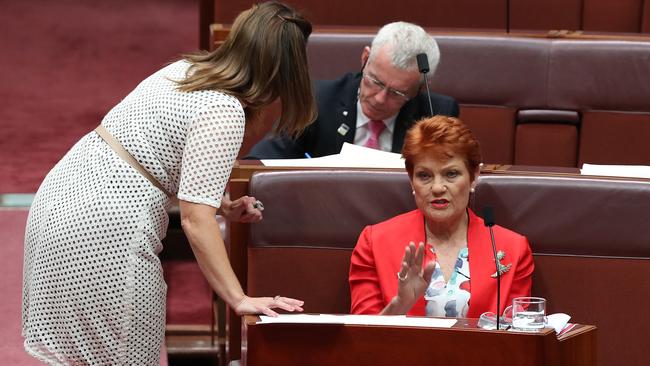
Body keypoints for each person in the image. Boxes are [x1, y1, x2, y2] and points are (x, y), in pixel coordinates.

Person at [21, 2, 315, 365]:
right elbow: (194, 219)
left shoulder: (187, 70)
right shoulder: (224, 110)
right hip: (105, 230)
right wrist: (239, 298)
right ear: (287, 73)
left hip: (60, 200)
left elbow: (161, 155)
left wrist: (222, 205)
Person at [349, 116, 534, 317]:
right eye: (424, 176)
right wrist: (401, 304)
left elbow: (517, 339)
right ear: (411, 180)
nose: (437, 187)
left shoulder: (512, 248)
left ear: (474, 175)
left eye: (451, 174)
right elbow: (362, 339)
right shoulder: (374, 243)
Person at [245, 21, 459, 159]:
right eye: (375, 81)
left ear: (419, 89)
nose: (380, 98)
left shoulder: (435, 113)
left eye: (397, 93)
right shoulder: (317, 100)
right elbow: (261, 162)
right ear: (365, 59)